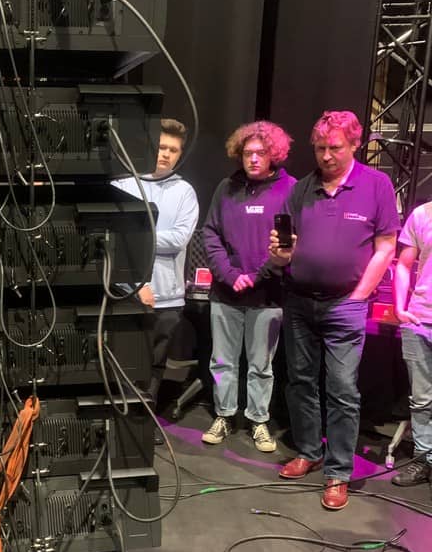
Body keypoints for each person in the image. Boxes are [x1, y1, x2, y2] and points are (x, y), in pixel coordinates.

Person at [269, 110, 398, 510]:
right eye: (320, 148)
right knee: (300, 381)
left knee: (342, 388)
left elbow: (386, 247)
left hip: (345, 304)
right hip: (299, 299)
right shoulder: (302, 189)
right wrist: (280, 255)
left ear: (355, 144)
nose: (326, 156)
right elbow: (285, 252)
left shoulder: (376, 184)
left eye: (335, 148)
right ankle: (309, 450)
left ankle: (338, 471)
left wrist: (360, 295)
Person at [201, 121, 296, 452]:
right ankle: (224, 415)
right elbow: (210, 233)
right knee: (222, 361)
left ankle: (258, 419)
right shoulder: (226, 188)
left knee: (261, 366)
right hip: (225, 293)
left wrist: (258, 275)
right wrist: (229, 274)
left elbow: (290, 241)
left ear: (274, 154)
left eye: (261, 153)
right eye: (248, 153)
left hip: (268, 294)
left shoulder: (290, 189)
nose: (254, 159)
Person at [112, 118, 199, 408]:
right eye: (162, 147)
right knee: (123, 359)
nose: (166, 154)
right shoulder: (123, 184)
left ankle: (145, 419)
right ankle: (122, 416)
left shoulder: (184, 192)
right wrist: (137, 285)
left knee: (155, 363)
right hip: (126, 292)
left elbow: (178, 239)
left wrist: (136, 235)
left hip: (168, 298)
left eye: (173, 150)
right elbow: (113, 239)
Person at [392, 198, 432, 493]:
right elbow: (405, 264)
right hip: (421, 319)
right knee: (421, 399)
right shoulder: (422, 214)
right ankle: (424, 458)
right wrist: (399, 307)